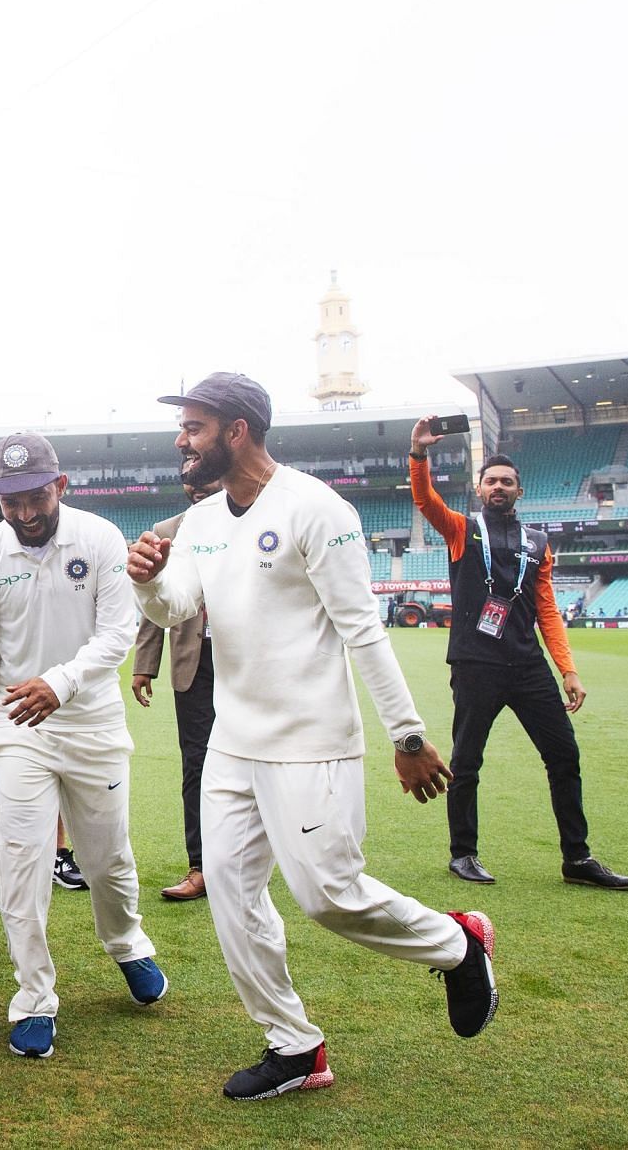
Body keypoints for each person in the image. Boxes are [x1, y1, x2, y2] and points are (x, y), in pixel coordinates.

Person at [128, 374, 498, 1101]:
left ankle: (459, 945)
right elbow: (178, 611)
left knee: (328, 895)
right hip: (232, 743)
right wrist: (148, 580)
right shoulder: (201, 521)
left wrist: (408, 734)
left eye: (195, 427)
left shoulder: (316, 508)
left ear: (237, 430)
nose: (182, 441)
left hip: (311, 742)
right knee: (231, 897)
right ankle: (294, 1046)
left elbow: (362, 628)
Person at [0, 432, 166, 1060]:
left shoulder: (99, 539)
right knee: (21, 864)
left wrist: (60, 683)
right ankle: (34, 997)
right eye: (9, 501)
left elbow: (117, 635)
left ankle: (126, 942)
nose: (23, 514)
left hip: (93, 723)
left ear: (60, 486)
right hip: (19, 728)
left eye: (34, 497)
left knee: (107, 862)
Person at [409, 417, 628, 891]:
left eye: (507, 482)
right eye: (491, 480)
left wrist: (568, 670)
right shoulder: (461, 530)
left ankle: (577, 858)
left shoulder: (539, 543)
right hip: (476, 665)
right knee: (467, 761)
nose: (498, 486)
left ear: (519, 491)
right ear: (479, 488)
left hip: (528, 665)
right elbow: (426, 501)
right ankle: (463, 854)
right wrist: (418, 454)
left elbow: (548, 611)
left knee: (564, 755)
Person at [130, 478, 222, 902]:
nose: (200, 487)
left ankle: (263, 856)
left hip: (252, 663)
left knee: (266, 759)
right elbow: (153, 606)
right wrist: (144, 666)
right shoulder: (167, 530)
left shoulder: (255, 523)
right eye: (192, 481)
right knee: (197, 765)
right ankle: (201, 866)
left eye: (208, 478)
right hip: (194, 664)